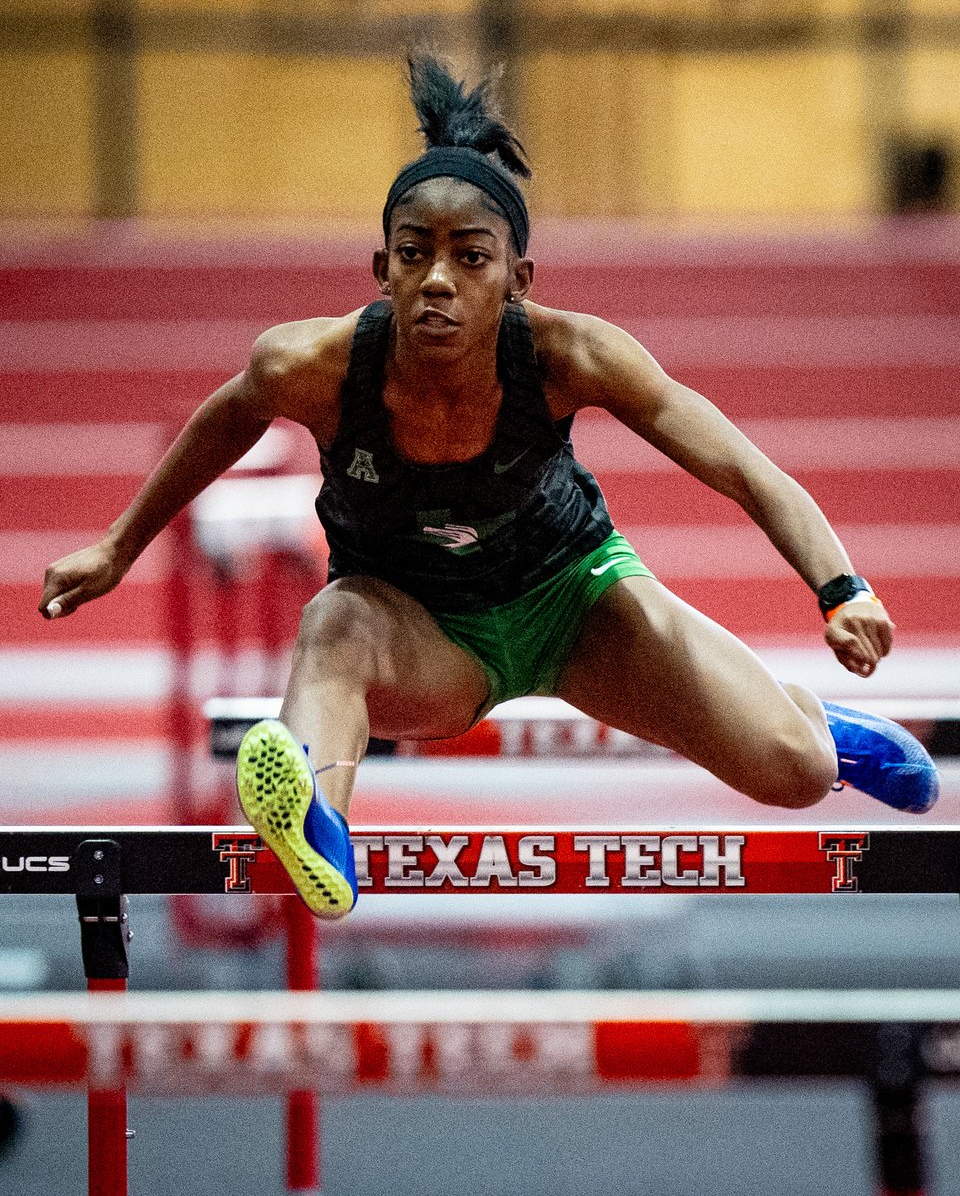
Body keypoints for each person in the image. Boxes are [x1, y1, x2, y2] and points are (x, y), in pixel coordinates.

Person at [40, 54, 939, 919]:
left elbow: (743, 468)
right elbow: (225, 419)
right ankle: (316, 825)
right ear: (382, 270)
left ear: (517, 279)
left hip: (578, 605)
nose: (437, 279)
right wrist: (117, 547)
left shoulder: (572, 354)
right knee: (336, 622)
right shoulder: (310, 364)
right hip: (421, 634)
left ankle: (817, 726)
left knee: (796, 775)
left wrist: (841, 588)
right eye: (412, 254)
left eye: (470, 258)